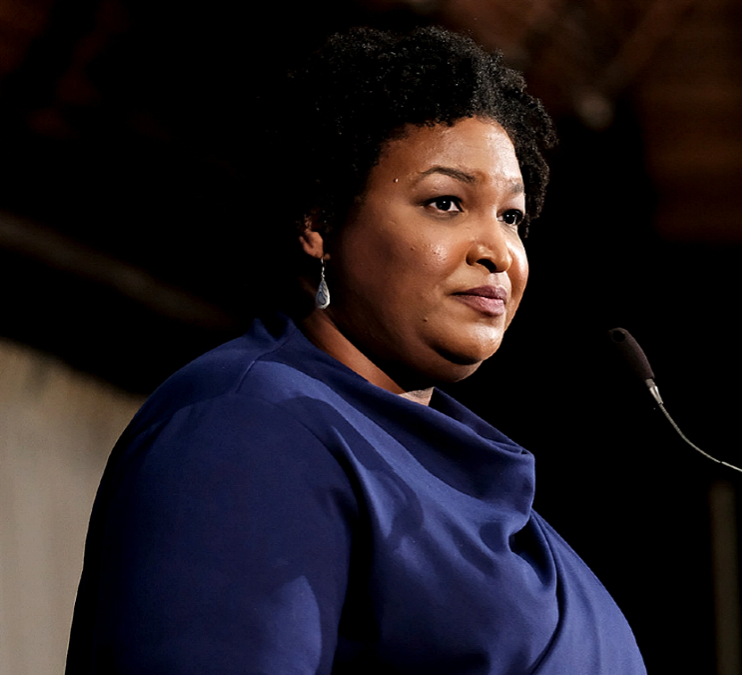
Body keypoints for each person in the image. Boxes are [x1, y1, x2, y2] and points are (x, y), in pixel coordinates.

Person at [66, 26, 646, 674]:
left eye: (512, 216)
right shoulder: (247, 430)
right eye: (446, 202)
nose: (498, 252)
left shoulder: (464, 473)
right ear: (319, 223)